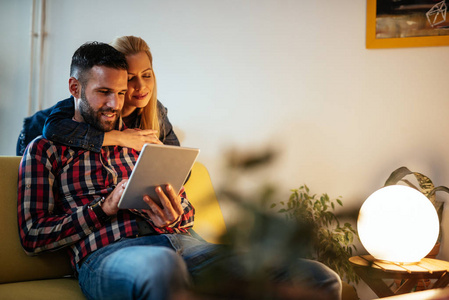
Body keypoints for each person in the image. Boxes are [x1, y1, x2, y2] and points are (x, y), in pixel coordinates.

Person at [18, 41, 342, 300]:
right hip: (109, 255)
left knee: (319, 277)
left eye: (120, 93)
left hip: (185, 245)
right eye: (103, 92)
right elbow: (33, 237)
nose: (116, 105)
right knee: (162, 265)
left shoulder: (142, 140)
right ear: (74, 88)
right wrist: (103, 209)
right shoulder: (46, 149)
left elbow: (186, 212)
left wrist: (173, 216)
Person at [16, 36, 178, 156]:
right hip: (31, 135)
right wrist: (120, 138)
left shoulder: (155, 110)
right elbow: (53, 129)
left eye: (147, 75)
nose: (141, 86)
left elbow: (180, 164)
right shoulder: (88, 104)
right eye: (129, 79)